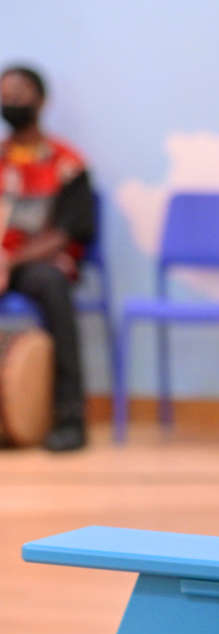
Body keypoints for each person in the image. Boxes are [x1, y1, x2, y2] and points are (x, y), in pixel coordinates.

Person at [0, 64, 95, 452]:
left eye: (19, 92)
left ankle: (70, 418)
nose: (11, 100)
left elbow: (68, 232)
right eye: (5, 92)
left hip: (37, 265)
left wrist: (8, 261)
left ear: (41, 100)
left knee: (53, 286)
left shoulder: (66, 162)